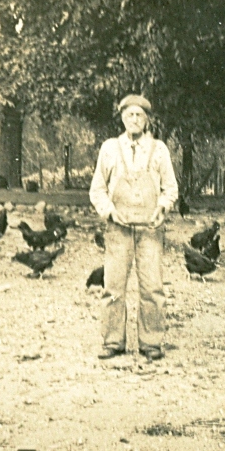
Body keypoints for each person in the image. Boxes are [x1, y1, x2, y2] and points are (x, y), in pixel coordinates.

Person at [89, 94, 179, 360]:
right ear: (122, 118)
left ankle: (151, 342)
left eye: (140, 115)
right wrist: (109, 211)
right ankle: (112, 341)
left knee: (152, 287)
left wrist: (162, 208)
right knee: (113, 286)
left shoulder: (159, 150)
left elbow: (170, 188)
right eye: (130, 115)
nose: (135, 119)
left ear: (147, 119)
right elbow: (97, 190)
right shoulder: (109, 148)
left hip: (150, 229)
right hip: (118, 229)